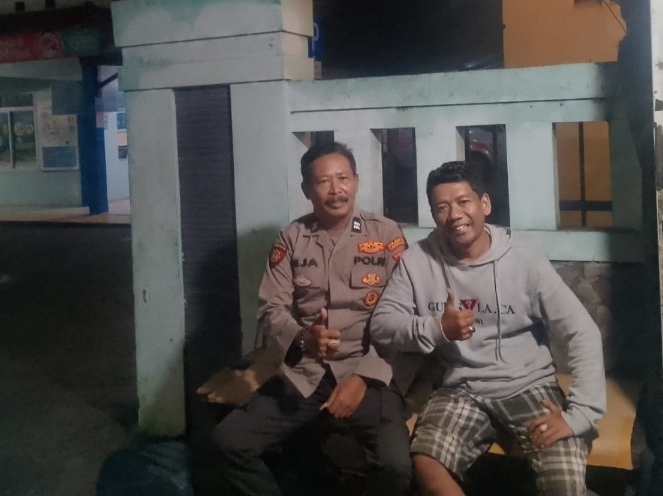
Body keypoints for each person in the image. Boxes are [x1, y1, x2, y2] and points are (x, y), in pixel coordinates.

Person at [370, 161, 606, 496]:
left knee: (564, 484)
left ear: (485, 204)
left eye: (463, 202)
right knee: (426, 463)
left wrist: (579, 414)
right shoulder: (418, 260)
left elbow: (582, 332)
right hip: (460, 387)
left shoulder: (525, 260)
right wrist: (436, 328)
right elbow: (382, 324)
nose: (454, 215)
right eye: (442, 207)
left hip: (530, 385)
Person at [211, 141, 413, 496]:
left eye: (343, 178)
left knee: (396, 467)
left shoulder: (385, 235)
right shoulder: (292, 239)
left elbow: (404, 314)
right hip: (307, 370)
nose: (336, 189)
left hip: (369, 370)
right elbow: (272, 308)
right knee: (228, 442)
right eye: (323, 181)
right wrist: (304, 338)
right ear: (307, 189)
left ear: (356, 182)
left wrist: (364, 378)